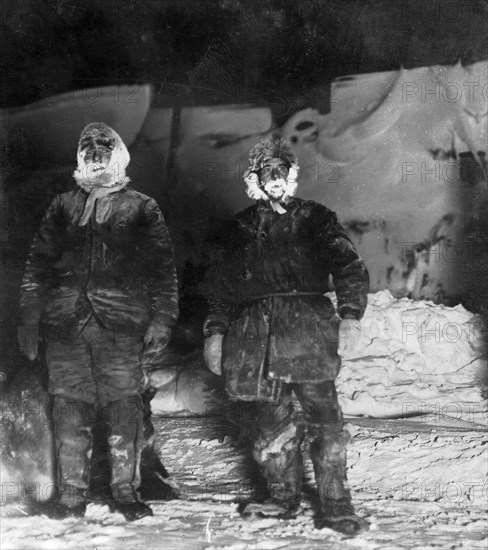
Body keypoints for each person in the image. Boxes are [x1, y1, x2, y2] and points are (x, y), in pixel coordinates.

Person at [203, 134, 369, 535]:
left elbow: (348, 266)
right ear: (255, 178)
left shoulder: (316, 218)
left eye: (281, 171)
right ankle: (281, 498)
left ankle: (336, 504)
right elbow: (219, 287)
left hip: (308, 330)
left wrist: (350, 316)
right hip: (254, 337)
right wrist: (215, 333)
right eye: (267, 172)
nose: (274, 179)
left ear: (291, 175)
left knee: (325, 421)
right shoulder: (239, 228)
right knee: (269, 423)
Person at [18, 122, 179, 520]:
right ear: (79, 156)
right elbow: (38, 266)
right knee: (69, 410)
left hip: (121, 325)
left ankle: (126, 492)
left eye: (105, 145)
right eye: (87, 145)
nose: (95, 151)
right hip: (66, 326)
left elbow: (162, 269)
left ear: (119, 154)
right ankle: (72, 495)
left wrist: (162, 318)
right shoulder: (62, 206)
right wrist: (30, 318)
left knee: (124, 409)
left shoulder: (142, 206)